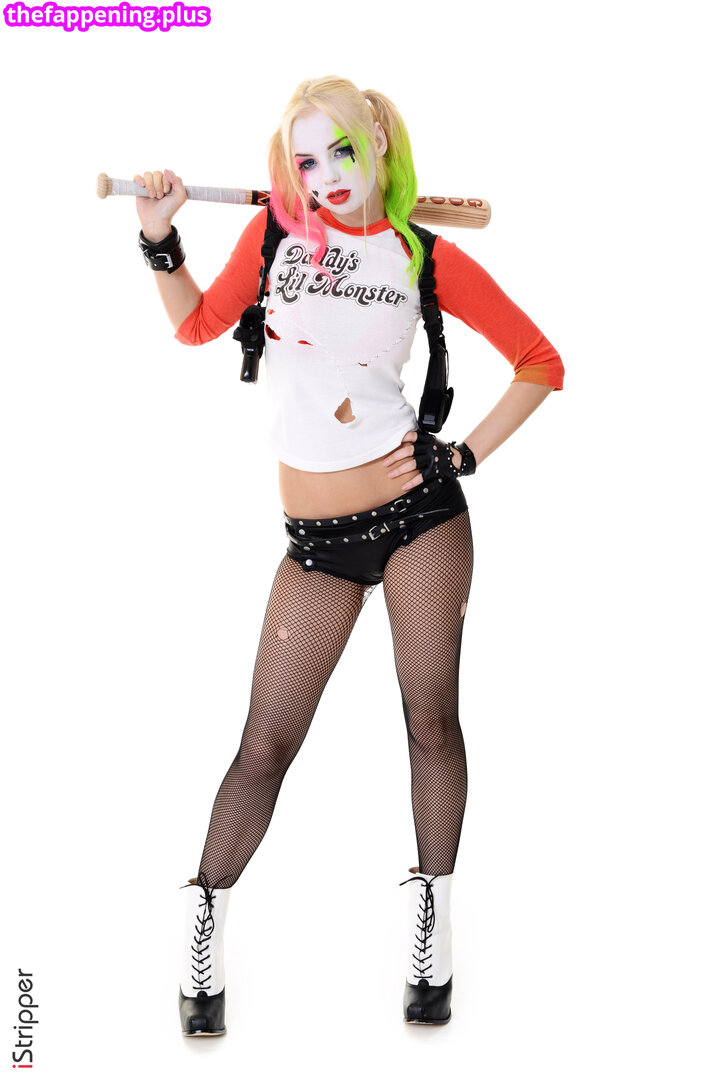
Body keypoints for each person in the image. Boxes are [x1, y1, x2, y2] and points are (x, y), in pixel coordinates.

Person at [134, 75, 564, 1033]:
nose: (324, 173)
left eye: (339, 150)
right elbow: (196, 325)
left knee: (429, 723)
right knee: (264, 745)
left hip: (419, 519)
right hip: (316, 545)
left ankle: (432, 927)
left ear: (375, 136)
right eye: (305, 159)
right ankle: (205, 917)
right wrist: (161, 239)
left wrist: (462, 454)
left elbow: (541, 361)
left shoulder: (422, 255)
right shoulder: (276, 239)